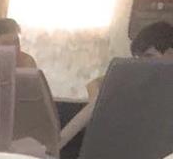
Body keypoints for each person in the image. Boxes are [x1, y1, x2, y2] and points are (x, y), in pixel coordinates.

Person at [59, 19, 173, 151]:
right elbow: (95, 84)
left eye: (149, 56)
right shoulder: (135, 79)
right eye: (138, 58)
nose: (141, 63)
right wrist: (100, 108)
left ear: (170, 54)